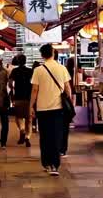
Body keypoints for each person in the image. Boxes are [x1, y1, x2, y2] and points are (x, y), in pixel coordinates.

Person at [29, 44, 71, 176]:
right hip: (58, 108)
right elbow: (68, 89)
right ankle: (55, 165)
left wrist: (31, 106)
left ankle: (47, 163)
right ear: (53, 53)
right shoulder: (62, 68)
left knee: (45, 137)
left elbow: (34, 90)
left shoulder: (38, 70)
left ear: (42, 55)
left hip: (42, 109)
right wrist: (69, 100)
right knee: (56, 136)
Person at [8, 54, 33, 146]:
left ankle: (22, 131)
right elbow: (34, 84)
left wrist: (13, 88)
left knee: (18, 117)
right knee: (29, 119)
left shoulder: (15, 71)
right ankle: (27, 137)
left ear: (18, 62)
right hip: (29, 97)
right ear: (25, 61)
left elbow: (10, 83)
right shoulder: (30, 71)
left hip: (18, 96)